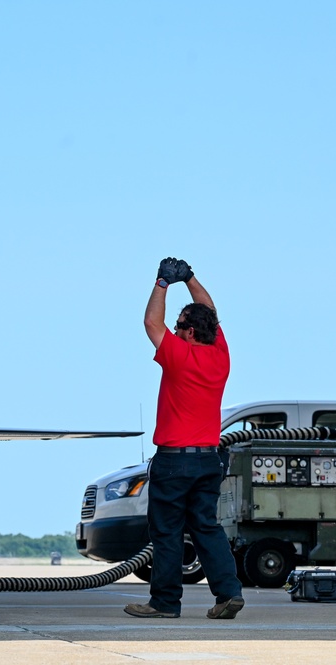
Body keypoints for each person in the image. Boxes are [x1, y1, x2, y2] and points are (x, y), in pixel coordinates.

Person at [123, 258, 245, 620]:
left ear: (190, 332)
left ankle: (164, 602)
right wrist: (190, 278)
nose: (173, 331)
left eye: (179, 327)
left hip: (175, 460)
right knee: (207, 527)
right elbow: (210, 310)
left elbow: (150, 322)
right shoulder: (220, 355)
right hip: (209, 459)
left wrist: (163, 282)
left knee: (167, 532)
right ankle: (228, 593)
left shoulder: (180, 355)